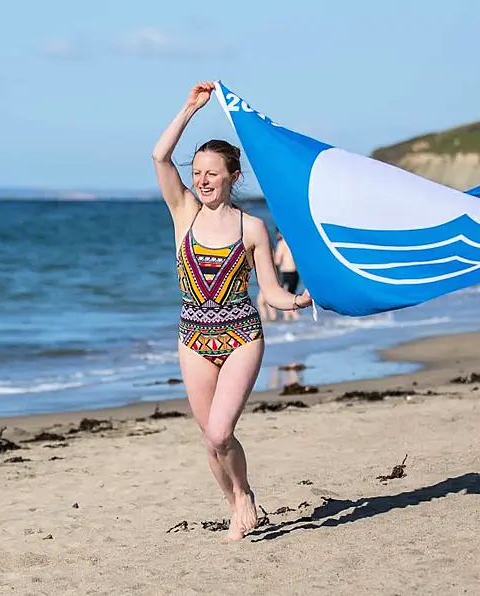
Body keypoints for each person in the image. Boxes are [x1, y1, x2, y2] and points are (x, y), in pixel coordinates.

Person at [152, 81, 313, 541]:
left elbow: (273, 291)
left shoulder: (253, 228)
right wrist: (188, 109)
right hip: (192, 339)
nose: (201, 180)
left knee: (222, 431)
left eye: (211, 173)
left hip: (242, 335)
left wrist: (300, 299)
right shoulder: (183, 211)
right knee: (210, 439)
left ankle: (241, 493)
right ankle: (238, 501)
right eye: (197, 172)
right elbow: (160, 158)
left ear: (232, 176)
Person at [274, 228, 301, 322]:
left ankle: (290, 321)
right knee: (292, 296)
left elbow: (277, 260)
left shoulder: (281, 244)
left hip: (286, 274)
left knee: (286, 299)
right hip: (296, 274)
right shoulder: (293, 243)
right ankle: (296, 321)